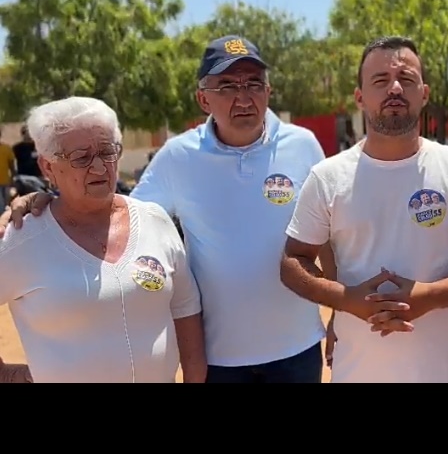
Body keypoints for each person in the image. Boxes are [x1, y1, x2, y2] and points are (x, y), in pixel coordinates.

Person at [0, 35, 329, 383]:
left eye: (253, 83)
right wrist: (49, 199)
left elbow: (328, 229)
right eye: (228, 86)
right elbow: (119, 208)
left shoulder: (303, 144)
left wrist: (340, 313)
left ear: (269, 90)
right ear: (203, 98)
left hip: (299, 346)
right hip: (218, 355)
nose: (243, 97)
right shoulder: (177, 156)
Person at [279, 36, 448, 383]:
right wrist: (347, 299)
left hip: (444, 372)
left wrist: (430, 296)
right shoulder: (327, 177)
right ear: (359, 97)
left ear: (425, 93)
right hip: (357, 371)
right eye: (380, 81)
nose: (395, 88)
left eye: (407, 79)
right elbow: (293, 262)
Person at [0, 97, 206, 383]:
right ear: (48, 168)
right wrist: (7, 374)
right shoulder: (21, 238)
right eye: (82, 158)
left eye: (107, 152)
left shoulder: (154, 221)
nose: (99, 168)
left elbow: (185, 309)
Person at [0, 126, 15, 209]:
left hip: (5, 181)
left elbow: (11, 164)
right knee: (1, 206)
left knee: (6, 203)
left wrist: (13, 177)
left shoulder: (7, 148)